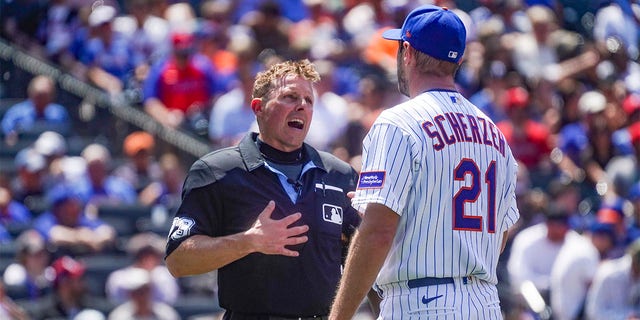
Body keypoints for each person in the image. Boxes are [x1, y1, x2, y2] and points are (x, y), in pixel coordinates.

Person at [329, 5, 520, 320]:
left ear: (408, 52)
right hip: (485, 304)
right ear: (457, 60)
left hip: (421, 302)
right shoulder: (495, 133)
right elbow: (499, 236)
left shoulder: (398, 122)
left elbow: (377, 232)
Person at [165, 59, 362, 319]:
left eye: (308, 100)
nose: (302, 106)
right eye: (290, 97)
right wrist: (248, 242)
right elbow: (178, 261)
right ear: (258, 108)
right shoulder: (217, 170)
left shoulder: (339, 174)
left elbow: (360, 258)